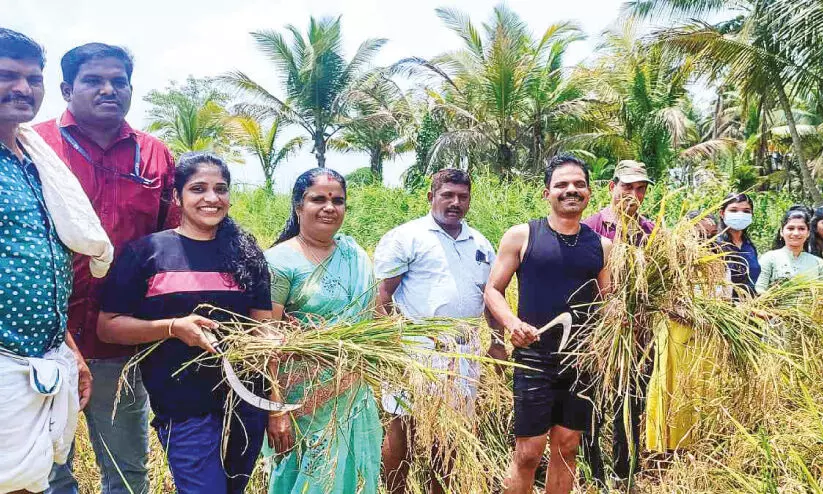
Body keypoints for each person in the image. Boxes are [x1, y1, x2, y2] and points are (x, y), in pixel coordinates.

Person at [34, 42, 179, 494]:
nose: (108, 90)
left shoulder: (154, 155)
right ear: (66, 88)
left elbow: (170, 244)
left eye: (119, 81)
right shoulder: (32, 146)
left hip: (122, 341)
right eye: (93, 81)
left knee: (128, 472)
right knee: (44, 471)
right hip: (42, 340)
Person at [96, 153, 270, 493]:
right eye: (198, 189)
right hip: (183, 406)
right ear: (177, 197)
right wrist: (174, 327)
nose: (211, 198)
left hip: (246, 402)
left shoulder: (246, 253)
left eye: (221, 189)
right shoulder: (147, 253)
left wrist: (275, 339)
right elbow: (109, 326)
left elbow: (262, 323)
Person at [0, 28, 113, 494]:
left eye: (33, 78)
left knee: (29, 480)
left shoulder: (32, 161)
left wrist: (69, 349)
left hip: (42, 357)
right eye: (7, 75)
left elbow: (39, 268)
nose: (23, 89)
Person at [485, 155, 612, 494]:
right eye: (562, 185)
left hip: (581, 361)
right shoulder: (522, 236)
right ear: (546, 193)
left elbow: (609, 303)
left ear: (589, 192)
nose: (571, 190)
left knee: (567, 446)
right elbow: (493, 290)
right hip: (534, 358)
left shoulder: (602, 247)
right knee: (528, 452)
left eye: (579, 184)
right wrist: (512, 323)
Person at [374, 168, 498, 494]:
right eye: (448, 195)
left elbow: (490, 297)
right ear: (431, 197)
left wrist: (497, 342)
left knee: (448, 435)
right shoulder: (408, 237)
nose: (455, 202)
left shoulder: (481, 244)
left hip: (463, 353)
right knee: (403, 426)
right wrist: (389, 346)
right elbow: (383, 294)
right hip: (415, 348)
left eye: (463, 197)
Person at [263, 168, 383, 494]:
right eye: (318, 199)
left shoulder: (355, 255)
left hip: (353, 393)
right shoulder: (279, 261)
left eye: (338, 200)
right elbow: (265, 342)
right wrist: (277, 410)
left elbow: (370, 325)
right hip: (301, 400)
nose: (330, 207)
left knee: (349, 480)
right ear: (299, 206)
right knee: (301, 480)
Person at [580, 159, 654, 484]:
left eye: (640, 189)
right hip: (595, 335)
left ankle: (625, 475)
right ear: (612, 187)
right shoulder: (590, 228)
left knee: (631, 406)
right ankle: (593, 475)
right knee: (592, 405)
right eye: (627, 187)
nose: (633, 195)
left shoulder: (651, 233)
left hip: (639, 337)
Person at [645, 210, 718, 456]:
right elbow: (658, 296)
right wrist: (684, 312)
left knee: (700, 387)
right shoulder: (668, 260)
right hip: (674, 332)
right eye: (696, 234)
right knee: (671, 386)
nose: (701, 240)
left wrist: (708, 316)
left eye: (708, 235)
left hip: (706, 335)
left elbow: (723, 300)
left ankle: (697, 446)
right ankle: (663, 449)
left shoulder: (719, 263)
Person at [755, 208, 823, 294]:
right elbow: (760, 288)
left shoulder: (818, 263)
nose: (796, 233)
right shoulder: (769, 258)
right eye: (790, 228)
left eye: (801, 229)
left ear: (808, 233)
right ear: (782, 232)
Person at [716, 193, 760, 298]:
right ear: (722, 213)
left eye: (746, 211)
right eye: (733, 210)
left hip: (752, 307)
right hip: (726, 308)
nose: (740, 215)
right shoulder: (716, 245)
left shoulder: (749, 246)